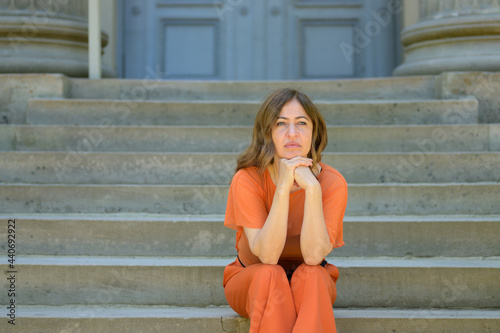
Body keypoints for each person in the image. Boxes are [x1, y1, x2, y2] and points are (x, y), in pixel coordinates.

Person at [222, 88, 348, 333]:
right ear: (268, 133)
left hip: (313, 285)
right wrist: (282, 188)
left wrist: (312, 188)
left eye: (302, 123)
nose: (292, 133)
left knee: (312, 275)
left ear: (314, 132)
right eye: (281, 124)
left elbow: (313, 258)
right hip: (253, 280)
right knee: (270, 274)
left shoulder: (333, 184)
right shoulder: (247, 179)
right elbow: (267, 256)